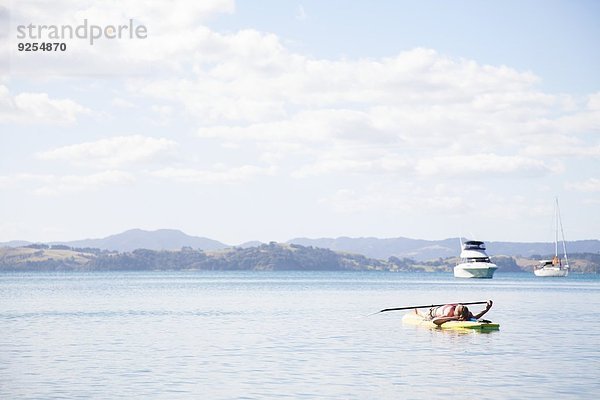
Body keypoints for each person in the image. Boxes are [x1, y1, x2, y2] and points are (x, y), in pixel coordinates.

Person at [416, 300, 493, 326]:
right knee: (423, 315)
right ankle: (417, 311)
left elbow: (475, 317)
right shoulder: (448, 313)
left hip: (444, 309)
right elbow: (435, 321)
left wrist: (486, 310)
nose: (464, 319)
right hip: (432, 312)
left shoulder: (466, 312)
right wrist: (452, 318)